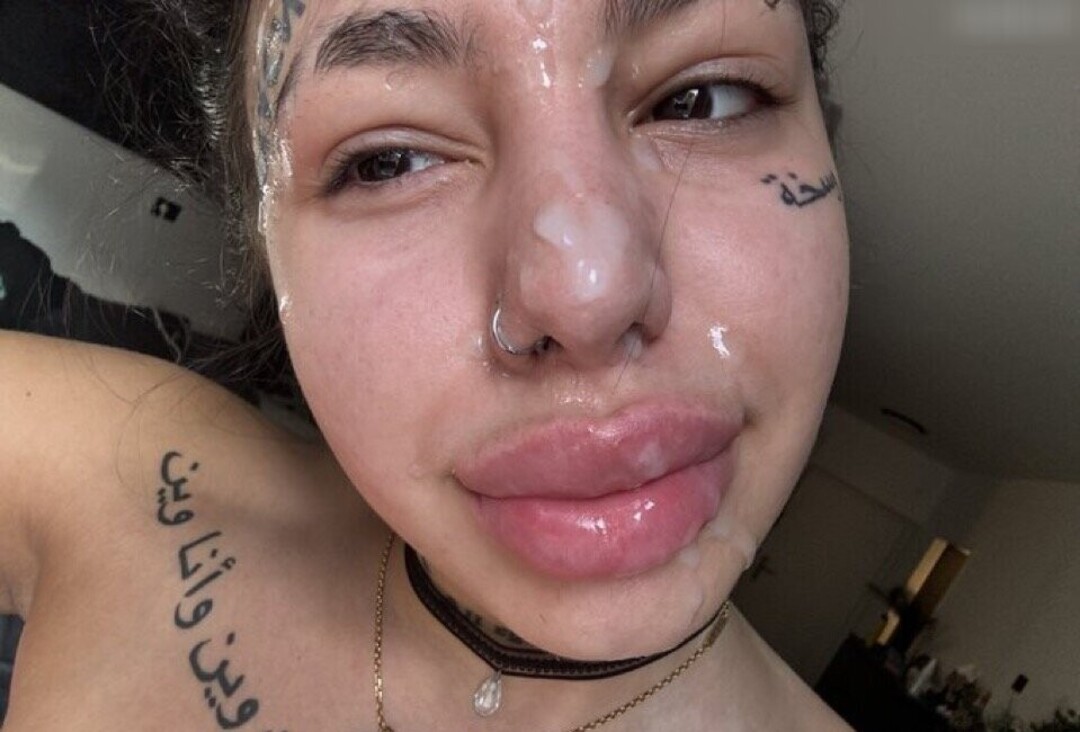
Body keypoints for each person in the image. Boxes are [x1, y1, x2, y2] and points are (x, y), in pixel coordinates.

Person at [0, 0, 851, 729]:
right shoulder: (115, 483)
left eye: (701, 100)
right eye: (389, 162)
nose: (586, 298)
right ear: (265, 253)